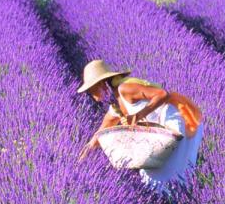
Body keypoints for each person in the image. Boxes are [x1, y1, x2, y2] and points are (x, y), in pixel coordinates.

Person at [76, 59, 204, 191]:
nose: (91, 94)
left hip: (179, 121)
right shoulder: (114, 104)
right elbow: (102, 131)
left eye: (92, 88)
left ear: (102, 84)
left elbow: (162, 94)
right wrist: (86, 152)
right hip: (162, 134)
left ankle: (178, 203)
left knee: (170, 173)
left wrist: (137, 116)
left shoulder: (125, 88)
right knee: (152, 176)